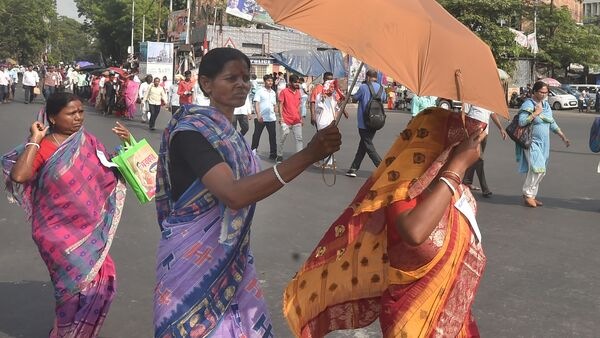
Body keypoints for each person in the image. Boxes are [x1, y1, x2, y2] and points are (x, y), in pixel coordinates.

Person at [153, 47, 341, 338]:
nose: (242, 84)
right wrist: (308, 155)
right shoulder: (192, 132)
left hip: (233, 258)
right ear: (206, 84)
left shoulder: (231, 135)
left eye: (246, 77)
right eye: (231, 78)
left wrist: (312, 152)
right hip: (192, 258)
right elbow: (234, 194)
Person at [283, 107, 488, 337]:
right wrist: (456, 168)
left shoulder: (457, 193)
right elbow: (414, 232)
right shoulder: (402, 189)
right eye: (455, 145)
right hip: (411, 323)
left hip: (455, 323)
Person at [1, 92, 132, 337]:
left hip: (88, 232)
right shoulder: (44, 147)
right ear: (52, 117)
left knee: (102, 283)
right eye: (71, 113)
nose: (79, 118)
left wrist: (128, 143)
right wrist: (35, 139)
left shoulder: (88, 141)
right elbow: (19, 176)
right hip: (56, 237)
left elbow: (109, 171)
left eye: (81, 112)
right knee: (71, 292)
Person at [517, 81, 570, 207]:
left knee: (541, 170)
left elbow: (551, 122)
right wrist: (535, 113)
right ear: (534, 92)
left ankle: (532, 195)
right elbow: (522, 122)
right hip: (531, 142)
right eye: (541, 92)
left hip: (544, 144)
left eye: (546, 92)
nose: (544, 95)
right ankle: (527, 194)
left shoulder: (546, 106)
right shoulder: (528, 104)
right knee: (537, 169)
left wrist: (562, 135)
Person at [346, 69, 386, 177]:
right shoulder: (381, 89)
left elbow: (354, 98)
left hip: (364, 122)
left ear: (367, 77)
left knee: (368, 145)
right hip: (376, 121)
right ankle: (353, 168)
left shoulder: (363, 87)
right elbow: (384, 99)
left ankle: (382, 167)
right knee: (363, 145)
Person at [462, 104, 507, 197]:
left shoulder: (486, 98)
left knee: (475, 158)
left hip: (485, 133)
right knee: (479, 159)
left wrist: (501, 128)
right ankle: (485, 189)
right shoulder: (470, 97)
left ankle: (466, 181)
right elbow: (464, 114)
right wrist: (464, 130)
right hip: (474, 132)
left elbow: (492, 114)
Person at [310, 72, 346, 168]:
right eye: (328, 79)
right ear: (324, 79)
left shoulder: (334, 90)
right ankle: (327, 161)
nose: (330, 81)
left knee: (327, 140)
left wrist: (344, 110)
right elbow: (313, 102)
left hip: (331, 119)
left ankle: (323, 159)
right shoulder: (318, 89)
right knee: (325, 140)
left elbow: (339, 103)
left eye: (331, 79)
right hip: (321, 119)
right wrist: (312, 115)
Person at [276, 74, 303, 163]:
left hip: (296, 120)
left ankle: (299, 157)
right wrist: (281, 118)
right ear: (290, 82)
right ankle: (279, 155)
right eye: (295, 82)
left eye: (298, 82)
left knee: (299, 139)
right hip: (286, 120)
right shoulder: (284, 92)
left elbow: (299, 106)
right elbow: (280, 105)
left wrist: (300, 118)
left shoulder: (298, 92)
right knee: (282, 138)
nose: (297, 84)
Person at [251, 74, 278, 160]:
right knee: (257, 135)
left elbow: (274, 104)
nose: (270, 82)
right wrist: (258, 114)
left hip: (271, 118)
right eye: (268, 81)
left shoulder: (273, 92)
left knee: (272, 136)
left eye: (271, 81)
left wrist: (276, 109)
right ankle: (253, 150)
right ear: (264, 81)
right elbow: (256, 103)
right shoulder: (260, 91)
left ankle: (273, 153)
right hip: (261, 117)